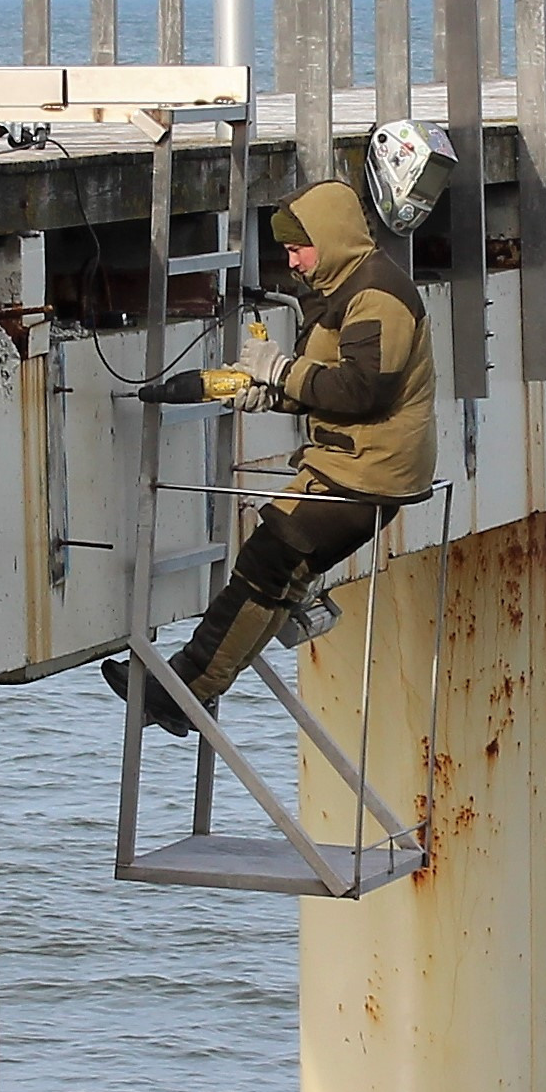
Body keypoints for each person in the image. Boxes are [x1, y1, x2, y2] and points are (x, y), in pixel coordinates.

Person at [104, 175, 437, 736]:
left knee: (267, 560)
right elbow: (332, 384)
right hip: (357, 466)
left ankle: (185, 689)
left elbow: (362, 391)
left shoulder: (376, 295)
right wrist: (270, 392)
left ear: (329, 238)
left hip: (366, 474)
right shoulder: (349, 288)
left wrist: (281, 371)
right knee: (277, 576)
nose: (293, 261)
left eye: (297, 247)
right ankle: (191, 689)